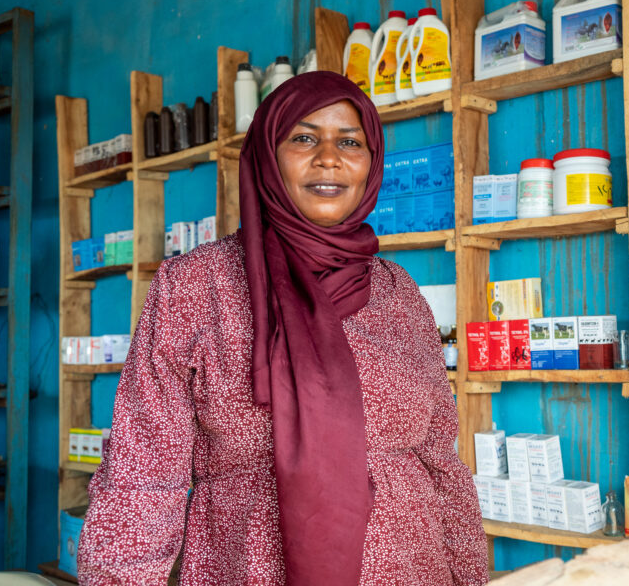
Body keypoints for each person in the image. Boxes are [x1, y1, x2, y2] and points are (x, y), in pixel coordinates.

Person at [77, 71, 489, 585]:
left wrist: (472, 579)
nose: (329, 158)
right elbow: (142, 472)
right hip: (252, 568)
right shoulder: (197, 285)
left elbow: (439, 461)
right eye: (303, 138)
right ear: (268, 157)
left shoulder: (397, 291)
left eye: (350, 141)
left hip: (413, 566)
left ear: (371, 163)